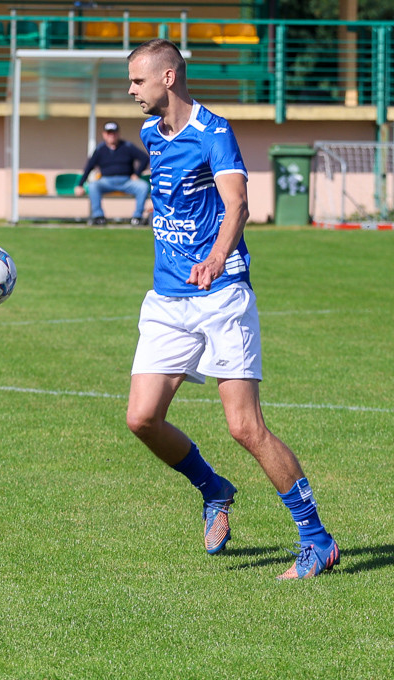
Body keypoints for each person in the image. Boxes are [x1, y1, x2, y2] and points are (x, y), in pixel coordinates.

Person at [124, 38, 339, 580]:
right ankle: (214, 489)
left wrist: (218, 255)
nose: (130, 92)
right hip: (168, 298)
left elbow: (238, 203)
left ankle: (317, 539)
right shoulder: (152, 133)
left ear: (168, 78)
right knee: (142, 418)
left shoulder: (214, 132)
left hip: (221, 296)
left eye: (137, 82)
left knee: (245, 427)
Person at [77, 120, 150, 226]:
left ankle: (137, 217)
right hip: (106, 181)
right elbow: (89, 167)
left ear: (118, 134)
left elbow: (144, 158)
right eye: (109, 133)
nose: (112, 135)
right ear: (104, 135)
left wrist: (136, 174)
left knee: (142, 186)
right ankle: (98, 217)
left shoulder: (127, 146)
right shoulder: (100, 149)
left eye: (114, 133)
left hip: (126, 181)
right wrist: (80, 185)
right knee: (93, 186)